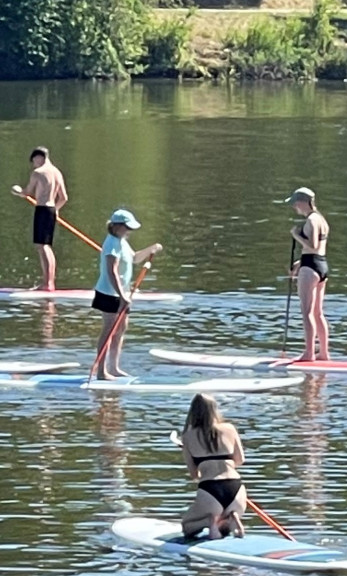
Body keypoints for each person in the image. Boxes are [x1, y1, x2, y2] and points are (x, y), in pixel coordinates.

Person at [91, 208, 163, 380]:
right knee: (108, 330)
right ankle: (101, 372)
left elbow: (135, 258)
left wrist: (151, 249)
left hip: (122, 293)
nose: (129, 231)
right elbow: (111, 271)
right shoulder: (111, 243)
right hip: (108, 293)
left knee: (121, 329)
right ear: (116, 227)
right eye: (127, 228)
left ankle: (114, 368)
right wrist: (122, 295)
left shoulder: (122, 241)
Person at [179, 393, 247, 540]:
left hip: (210, 490)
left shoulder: (188, 436)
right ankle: (231, 517)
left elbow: (194, 474)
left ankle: (210, 521)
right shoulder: (229, 428)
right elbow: (240, 460)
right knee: (224, 530)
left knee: (187, 527)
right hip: (236, 488)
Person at [11, 146, 68, 291]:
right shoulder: (57, 172)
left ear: (39, 157)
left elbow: (27, 192)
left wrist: (18, 192)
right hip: (51, 210)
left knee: (42, 246)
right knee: (46, 246)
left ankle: (46, 284)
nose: (34, 164)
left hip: (42, 210)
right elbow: (64, 198)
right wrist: (55, 210)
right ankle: (50, 282)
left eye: (34, 161)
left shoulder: (38, 173)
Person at [286, 186, 330, 362]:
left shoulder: (311, 220)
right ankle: (324, 353)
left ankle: (309, 353)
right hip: (321, 265)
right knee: (318, 312)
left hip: (310, 268)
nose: (294, 207)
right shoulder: (322, 220)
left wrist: (296, 234)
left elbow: (311, 245)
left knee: (307, 312)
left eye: (295, 203)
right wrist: (300, 262)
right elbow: (317, 250)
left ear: (303, 202)